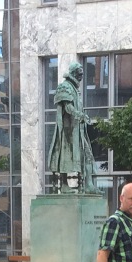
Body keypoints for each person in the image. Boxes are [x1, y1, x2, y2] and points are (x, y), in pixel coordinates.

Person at [47, 61, 96, 192]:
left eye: (82, 74)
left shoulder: (74, 89)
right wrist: (81, 115)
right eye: (79, 74)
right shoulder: (64, 87)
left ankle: (89, 185)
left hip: (78, 131)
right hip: (67, 132)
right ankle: (64, 185)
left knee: (88, 155)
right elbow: (68, 108)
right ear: (73, 73)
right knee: (65, 156)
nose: (81, 77)